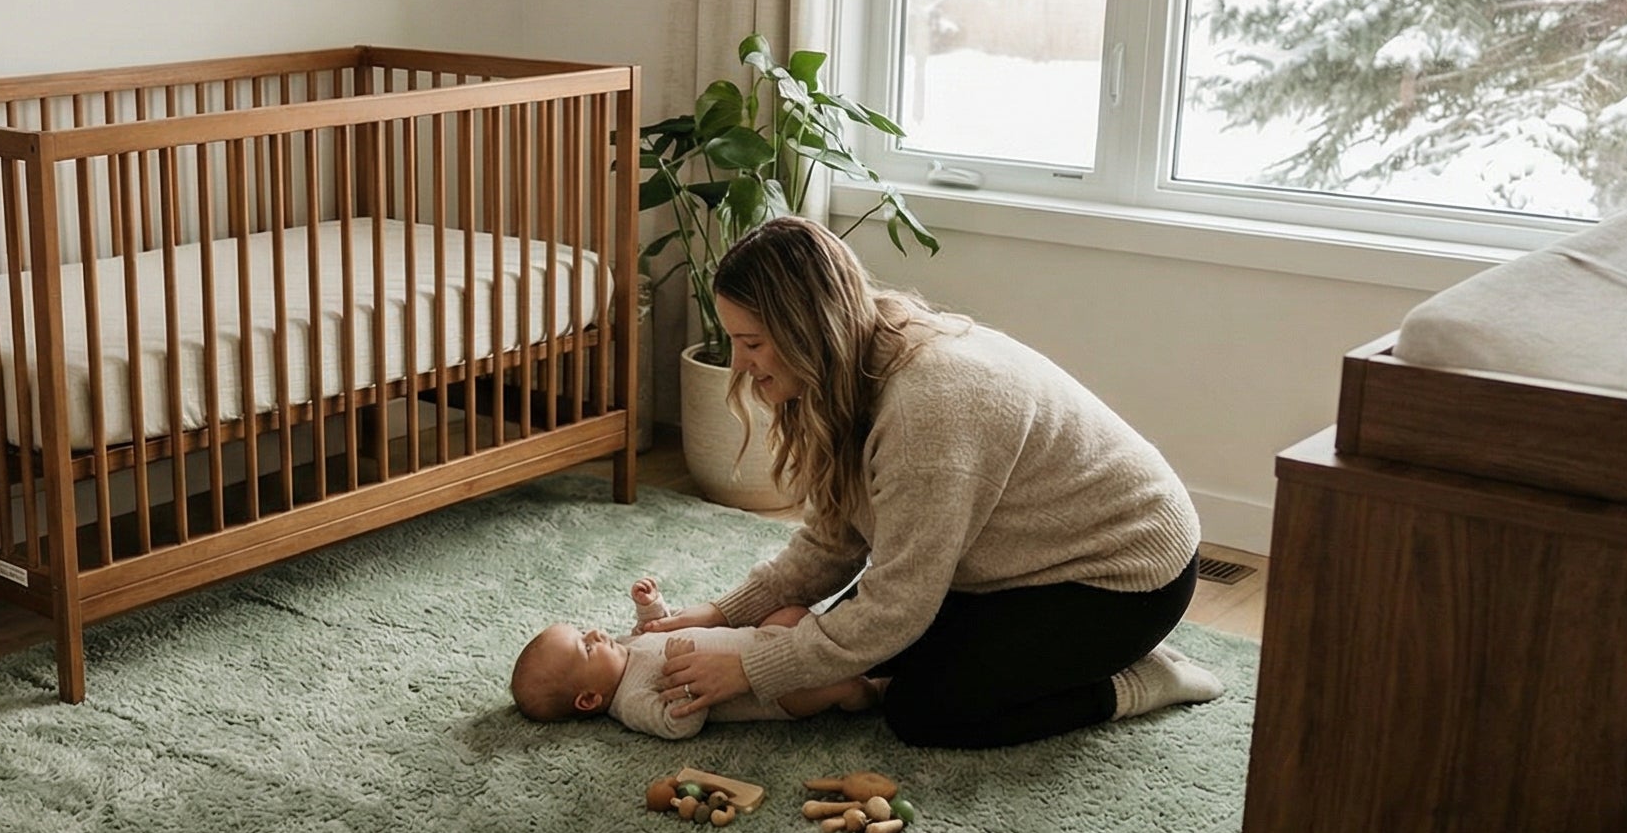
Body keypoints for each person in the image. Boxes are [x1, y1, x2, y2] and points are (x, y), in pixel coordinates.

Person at [645, 217, 1220, 748]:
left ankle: (1138, 678)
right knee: (835, 647)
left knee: (925, 710)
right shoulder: (856, 359)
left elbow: (896, 607)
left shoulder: (928, 408)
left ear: (808, 331)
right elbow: (835, 543)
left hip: (1123, 578)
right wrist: (722, 614)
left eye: (752, 344)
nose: (741, 366)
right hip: (1008, 565)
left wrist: (747, 668)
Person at [510, 577, 880, 738]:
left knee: (791, 612)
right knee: (832, 685)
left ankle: (830, 644)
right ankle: (863, 691)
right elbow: (677, 725)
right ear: (589, 698)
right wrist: (683, 682)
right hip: (771, 693)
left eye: (582, 630)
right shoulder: (632, 701)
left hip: (755, 639)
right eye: (586, 647)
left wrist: (651, 607)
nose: (594, 633)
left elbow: (658, 629)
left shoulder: (624, 646)